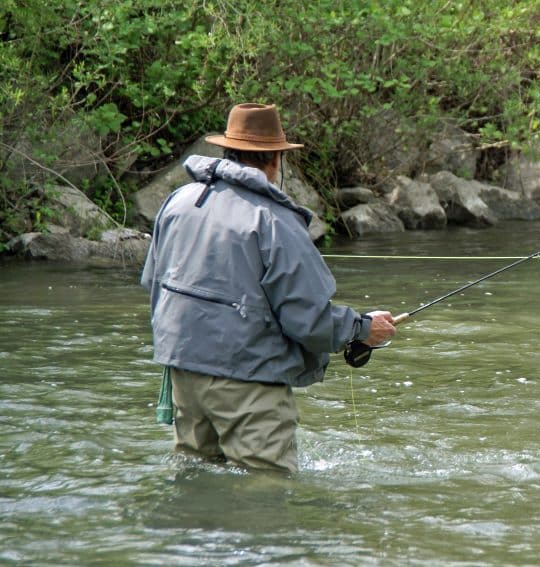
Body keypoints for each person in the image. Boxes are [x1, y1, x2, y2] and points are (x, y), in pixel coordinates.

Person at [141, 103, 396, 473]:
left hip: (183, 375)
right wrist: (362, 328)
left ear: (227, 150)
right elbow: (309, 320)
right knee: (267, 490)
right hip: (249, 385)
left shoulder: (178, 203)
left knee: (195, 479)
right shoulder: (274, 220)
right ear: (276, 159)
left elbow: (154, 284)